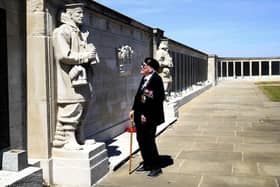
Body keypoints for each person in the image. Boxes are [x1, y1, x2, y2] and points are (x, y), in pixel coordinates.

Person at [52, 2, 99, 150]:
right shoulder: (62, 31)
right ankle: (68, 140)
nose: (82, 16)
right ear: (70, 14)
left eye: (82, 13)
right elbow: (63, 55)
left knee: (83, 107)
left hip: (83, 79)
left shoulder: (79, 32)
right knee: (73, 107)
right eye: (78, 13)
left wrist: (91, 53)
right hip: (69, 80)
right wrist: (85, 56)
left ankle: (80, 137)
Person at [129, 57, 165, 177]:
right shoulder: (145, 78)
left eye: (143, 66)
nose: (141, 67)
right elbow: (138, 95)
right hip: (140, 115)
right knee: (141, 140)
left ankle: (156, 167)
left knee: (149, 141)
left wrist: (146, 114)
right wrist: (133, 109)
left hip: (150, 117)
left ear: (150, 69)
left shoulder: (156, 79)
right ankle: (147, 163)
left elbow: (157, 100)